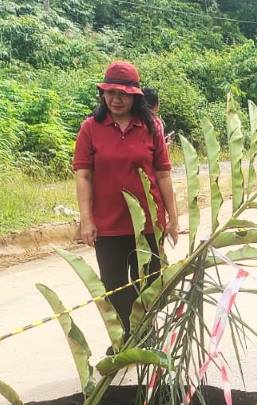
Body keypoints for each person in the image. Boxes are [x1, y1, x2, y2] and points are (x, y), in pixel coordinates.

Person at [73, 61, 179, 338]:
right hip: (108, 225)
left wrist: (173, 218)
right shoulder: (90, 128)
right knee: (114, 283)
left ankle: (145, 333)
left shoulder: (151, 127)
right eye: (110, 93)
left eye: (122, 94)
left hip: (147, 224)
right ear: (102, 95)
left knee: (151, 282)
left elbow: (163, 175)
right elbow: (83, 176)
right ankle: (132, 336)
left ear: (136, 96)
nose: (115, 99)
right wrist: (86, 219)